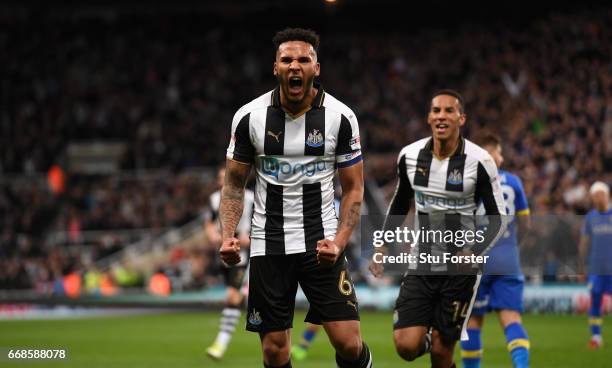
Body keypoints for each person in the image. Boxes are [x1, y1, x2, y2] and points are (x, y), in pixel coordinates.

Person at [219, 28, 372, 368]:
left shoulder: (340, 117)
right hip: (267, 242)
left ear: (317, 68)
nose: (295, 66)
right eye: (287, 59)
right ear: (275, 67)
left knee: (348, 344)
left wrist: (340, 241)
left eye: (304, 59)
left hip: (321, 244)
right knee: (275, 351)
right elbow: (232, 185)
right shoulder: (249, 117)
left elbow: (354, 189)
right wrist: (228, 235)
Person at [370, 90, 506, 368]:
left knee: (443, 356)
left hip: (460, 271)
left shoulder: (479, 162)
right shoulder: (409, 156)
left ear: (461, 118)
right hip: (422, 263)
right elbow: (399, 204)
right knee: (406, 346)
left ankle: (441, 342)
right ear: (429, 117)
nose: (441, 116)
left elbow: (498, 217)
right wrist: (382, 246)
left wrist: (474, 250)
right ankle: (433, 338)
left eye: (448, 111)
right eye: (436, 111)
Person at [460, 135, 531, 368]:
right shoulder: (514, 182)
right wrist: (512, 246)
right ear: (494, 156)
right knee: (511, 319)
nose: (502, 157)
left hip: (476, 258)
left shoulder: (469, 182)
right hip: (507, 257)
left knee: (472, 323)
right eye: (499, 152)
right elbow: (526, 225)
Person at [206, 167, 254, 359]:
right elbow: (209, 221)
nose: (222, 180)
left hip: (244, 253)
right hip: (225, 252)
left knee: (232, 296)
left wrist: (249, 239)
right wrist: (211, 234)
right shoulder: (214, 199)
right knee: (236, 297)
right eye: (219, 177)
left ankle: (220, 343)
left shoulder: (250, 197)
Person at [579, 181, 612, 350]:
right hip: (596, 268)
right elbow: (584, 242)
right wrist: (581, 264)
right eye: (594, 196)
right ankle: (596, 336)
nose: (596, 198)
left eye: (599, 194)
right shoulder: (590, 217)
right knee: (595, 301)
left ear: (607, 195)